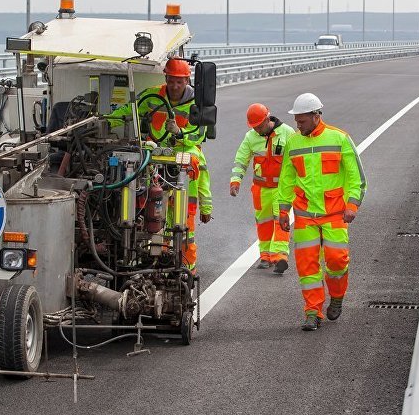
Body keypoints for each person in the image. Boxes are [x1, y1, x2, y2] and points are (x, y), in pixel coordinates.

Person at [107, 58, 211, 271]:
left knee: (183, 225)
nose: (175, 86)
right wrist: (106, 121)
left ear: (187, 81)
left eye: (179, 82)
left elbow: (200, 134)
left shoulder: (196, 104)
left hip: (181, 155)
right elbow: (130, 111)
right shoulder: (153, 96)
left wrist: (180, 133)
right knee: (148, 212)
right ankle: (152, 259)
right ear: (166, 78)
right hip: (153, 156)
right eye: (171, 80)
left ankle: (186, 268)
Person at [277, 93, 366, 331]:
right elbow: (286, 178)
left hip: (336, 214)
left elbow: (357, 177)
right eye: (296, 121)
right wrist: (283, 210)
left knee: (337, 261)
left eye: (302, 121)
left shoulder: (340, 138)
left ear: (316, 116)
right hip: (305, 216)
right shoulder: (293, 143)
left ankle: (337, 297)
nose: (298, 125)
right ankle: (312, 312)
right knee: (307, 267)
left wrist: (352, 205)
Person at [230, 103, 297, 273]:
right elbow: (241, 159)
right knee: (263, 223)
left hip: (282, 188)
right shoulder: (251, 137)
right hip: (260, 189)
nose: (257, 130)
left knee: (280, 219)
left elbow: (297, 160)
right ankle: (265, 256)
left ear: (268, 119)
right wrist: (235, 181)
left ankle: (280, 256)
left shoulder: (287, 133)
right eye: (254, 127)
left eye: (259, 126)